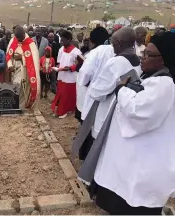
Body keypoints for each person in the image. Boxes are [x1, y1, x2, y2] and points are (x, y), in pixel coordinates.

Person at [89, 31, 175, 215]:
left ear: (165, 59)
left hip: (144, 164)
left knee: (135, 204)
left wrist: (121, 89)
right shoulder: (152, 78)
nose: (142, 57)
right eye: (143, 53)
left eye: (148, 54)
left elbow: (138, 111)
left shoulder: (164, 85)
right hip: (134, 161)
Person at [74, 27, 141, 161]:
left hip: (106, 110)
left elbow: (97, 91)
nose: (112, 45)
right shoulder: (138, 62)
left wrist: (91, 86)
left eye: (113, 42)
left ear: (120, 44)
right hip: (124, 111)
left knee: (97, 145)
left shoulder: (115, 62)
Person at [74, 27, 112, 160]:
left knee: (87, 126)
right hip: (107, 95)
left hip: (91, 94)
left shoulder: (94, 53)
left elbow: (85, 75)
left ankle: (84, 155)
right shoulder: (113, 51)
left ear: (92, 40)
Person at [6, 25, 40, 108]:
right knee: (15, 85)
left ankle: (21, 105)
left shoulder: (31, 43)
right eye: (17, 38)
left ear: (24, 34)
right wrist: (10, 65)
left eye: (20, 38)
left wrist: (21, 57)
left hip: (25, 69)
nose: (19, 40)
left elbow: (34, 59)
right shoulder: (13, 40)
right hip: (14, 68)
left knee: (20, 86)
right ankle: (15, 104)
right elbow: (8, 55)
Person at [51, 30, 82, 119]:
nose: (62, 42)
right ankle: (60, 109)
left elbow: (79, 65)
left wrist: (69, 68)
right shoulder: (61, 49)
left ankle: (64, 111)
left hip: (71, 77)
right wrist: (56, 67)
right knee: (61, 93)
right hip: (61, 75)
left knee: (68, 94)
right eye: (61, 40)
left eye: (63, 40)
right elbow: (59, 62)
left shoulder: (76, 52)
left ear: (69, 40)